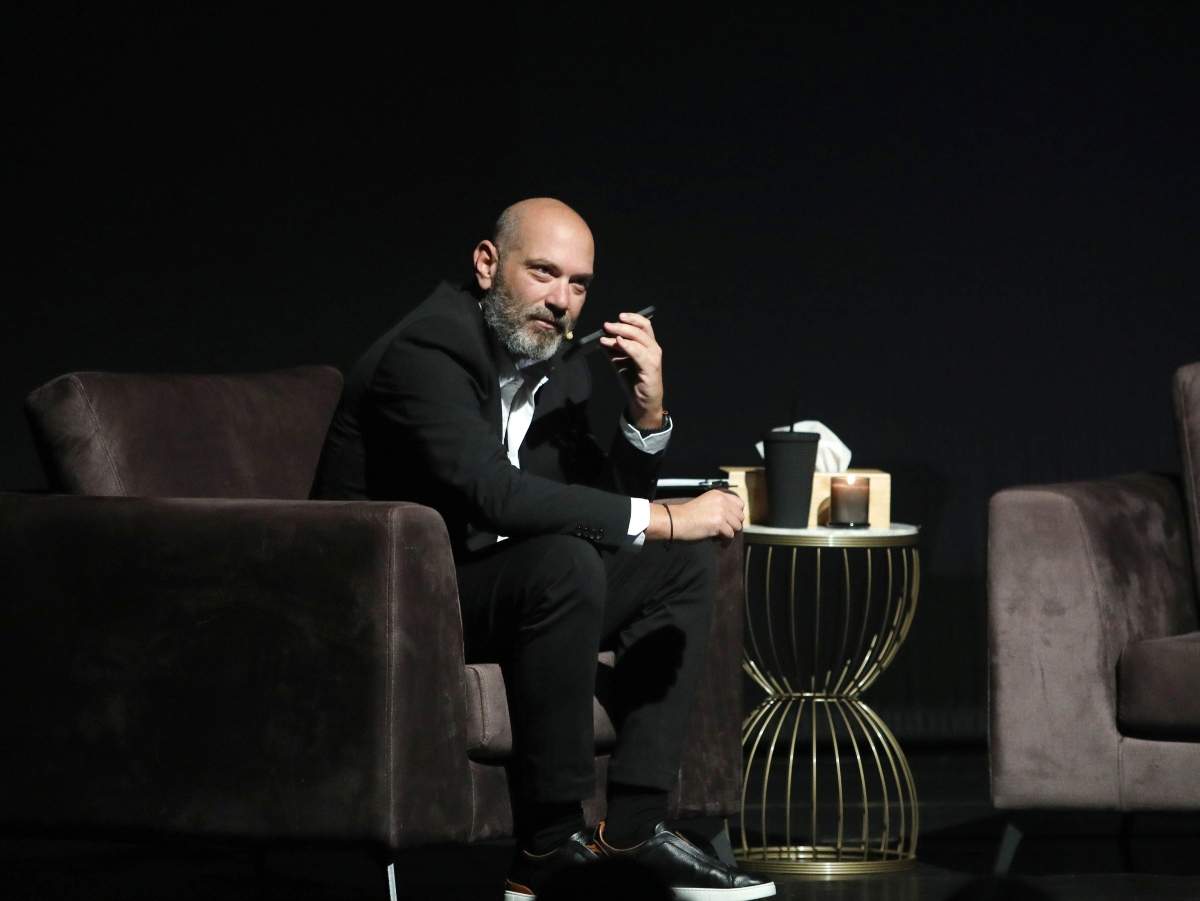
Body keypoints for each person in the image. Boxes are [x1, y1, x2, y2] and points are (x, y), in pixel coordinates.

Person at [316, 198, 773, 900]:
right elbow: (495, 495)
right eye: (543, 273)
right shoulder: (428, 350)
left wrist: (646, 413)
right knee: (567, 560)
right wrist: (665, 516)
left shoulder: (557, 366)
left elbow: (598, 511)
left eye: (579, 284)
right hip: (401, 601)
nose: (562, 301)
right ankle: (547, 846)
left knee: (678, 561)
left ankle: (635, 828)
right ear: (487, 263)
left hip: (507, 586)